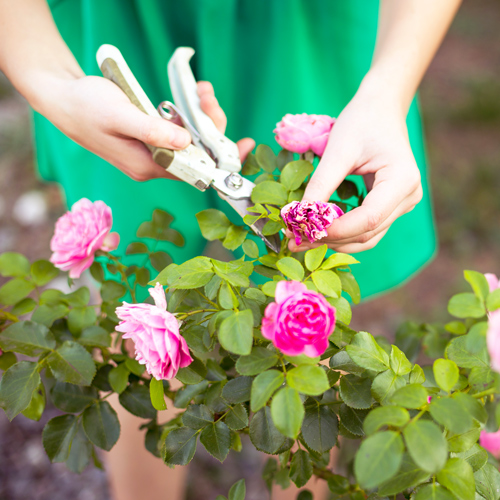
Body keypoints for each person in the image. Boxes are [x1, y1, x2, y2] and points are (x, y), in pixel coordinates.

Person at [0, 0, 462, 498]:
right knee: (136, 306)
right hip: (125, 16)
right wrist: (54, 82)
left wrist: (387, 90)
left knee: (308, 320)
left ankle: (299, 480)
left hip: (303, 29)